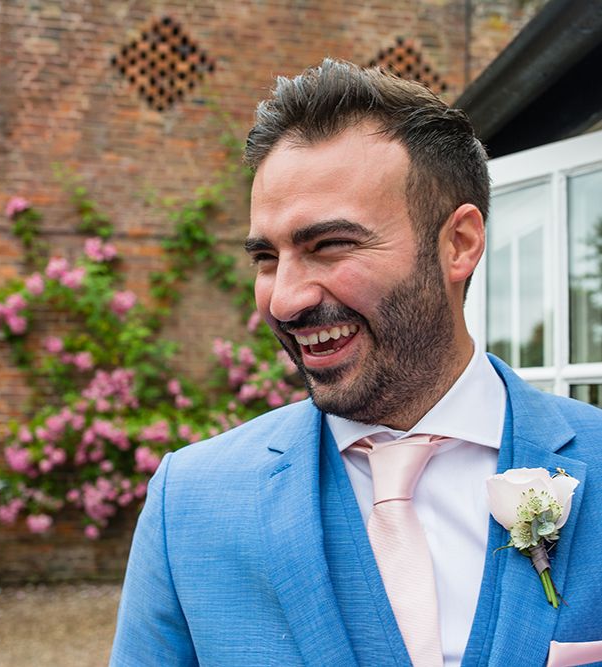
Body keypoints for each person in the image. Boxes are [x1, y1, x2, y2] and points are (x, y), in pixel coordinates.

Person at [110, 59, 602, 666]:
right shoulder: (188, 504)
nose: (285, 299)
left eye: (330, 245)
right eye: (267, 257)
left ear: (459, 243)